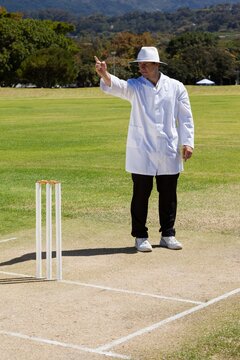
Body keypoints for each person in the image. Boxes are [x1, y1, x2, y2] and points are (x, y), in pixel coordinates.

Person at [94, 46, 194, 252]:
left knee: (168, 194)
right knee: (141, 194)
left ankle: (168, 234)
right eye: (139, 65)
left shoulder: (176, 87)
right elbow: (117, 86)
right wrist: (104, 73)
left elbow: (185, 117)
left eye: (146, 64)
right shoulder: (135, 86)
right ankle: (140, 236)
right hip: (142, 149)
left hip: (167, 148)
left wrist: (188, 142)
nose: (142, 68)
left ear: (157, 65)